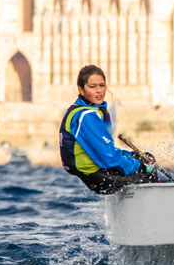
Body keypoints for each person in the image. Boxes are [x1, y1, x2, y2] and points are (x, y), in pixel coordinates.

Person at [59, 65, 160, 194]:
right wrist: (139, 166)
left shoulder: (88, 111)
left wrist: (134, 157)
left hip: (99, 170)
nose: (99, 91)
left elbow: (107, 150)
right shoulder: (86, 116)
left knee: (143, 158)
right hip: (96, 176)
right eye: (92, 87)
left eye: (102, 85)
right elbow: (109, 158)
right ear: (81, 89)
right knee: (146, 173)